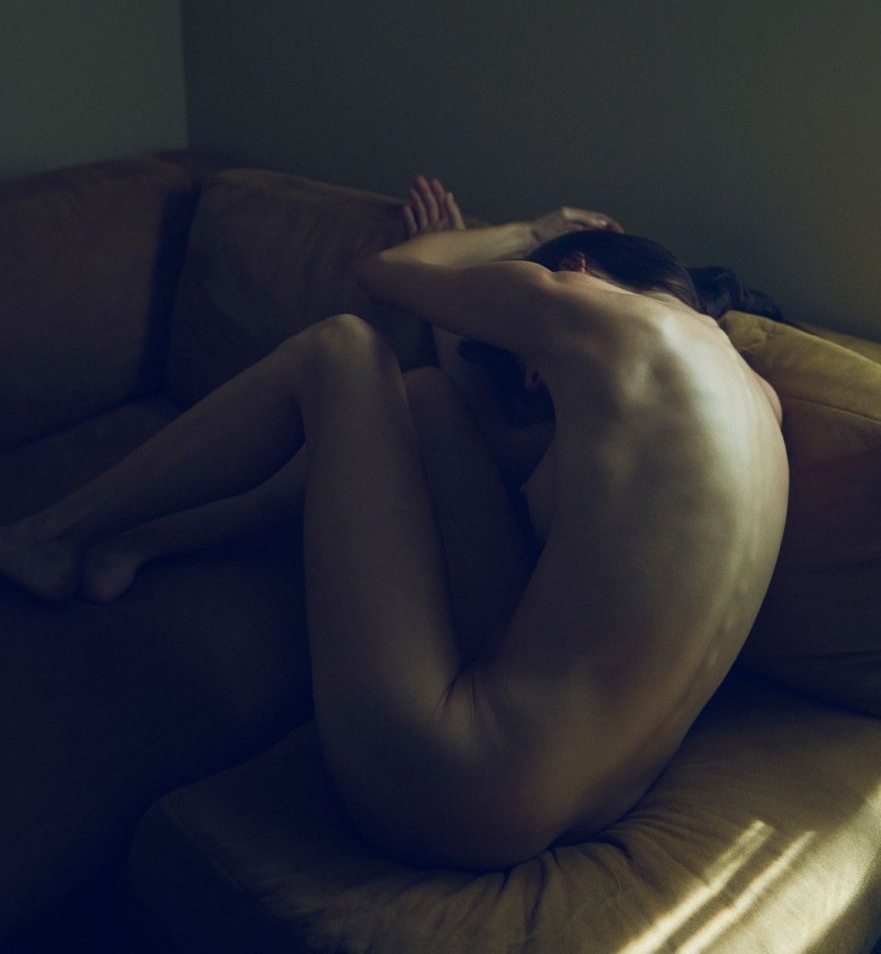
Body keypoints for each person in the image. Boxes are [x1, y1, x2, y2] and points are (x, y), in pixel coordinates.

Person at [0, 176, 789, 870]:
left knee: (340, 348)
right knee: (427, 401)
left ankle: (49, 534)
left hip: (454, 785)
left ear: (574, 268)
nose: (531, 378)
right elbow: (471, 455)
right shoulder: (755, 400)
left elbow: (384, 273)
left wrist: (527, 232)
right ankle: (143, 539)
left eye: (524, 362)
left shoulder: (581, 304)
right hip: (584, 807)